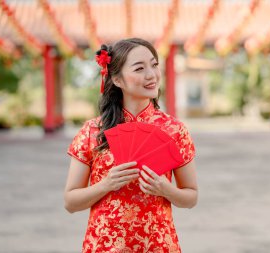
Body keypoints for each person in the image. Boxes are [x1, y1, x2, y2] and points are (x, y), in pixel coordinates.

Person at [64, 38, 197, 253]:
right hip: (105, 246)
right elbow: (70, 202)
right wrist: (106, 184)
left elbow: (191, 197)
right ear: (117, 79)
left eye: (154, 65)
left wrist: (166, 190)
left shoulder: (174, 130)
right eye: (139, 68)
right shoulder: (93, 131)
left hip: (159, 245)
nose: (151, 75)